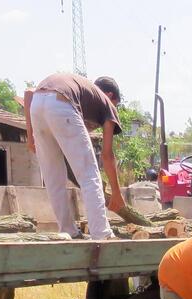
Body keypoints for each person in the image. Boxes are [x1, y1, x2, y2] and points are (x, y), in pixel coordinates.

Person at [24, 73, 125, 239]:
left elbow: (29, 93)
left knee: (53, 178)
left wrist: (31, 137)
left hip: (37, 106)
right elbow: (107, 155)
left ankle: (68, 230)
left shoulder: (81, 90)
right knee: (90, 175)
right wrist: (116, 192)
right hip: (61, 103)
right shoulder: (107, 104)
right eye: (116, 104)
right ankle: (102, 233)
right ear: (110, 95)